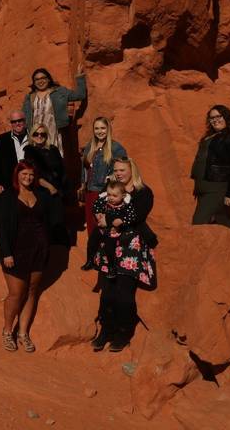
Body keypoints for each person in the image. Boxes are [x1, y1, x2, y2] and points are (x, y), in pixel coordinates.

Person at [91, 157, 158, 352]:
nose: (119, 173)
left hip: (130, 248)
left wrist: (108, 219)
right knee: (107, 292)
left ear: (132, 171)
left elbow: (135, 217)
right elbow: (98, 209)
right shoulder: (109, 189)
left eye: (123, 170)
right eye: (117, 170)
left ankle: (123, 332)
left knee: (125, 293)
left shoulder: (143, 192)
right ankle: (106, 330)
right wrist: (101, 218)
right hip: (109, 247)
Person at [0, 162, 65, 353]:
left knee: (32, 291)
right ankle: (8, 331)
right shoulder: (7, 196)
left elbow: (53, 215)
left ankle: (23, 333)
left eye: (31, 175)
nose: (28, 178)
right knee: (16, 293)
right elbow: (1, 227)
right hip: (15, 251)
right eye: (24, 174)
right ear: (17, 175)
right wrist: (6, 252)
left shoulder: (41, 195)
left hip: (38, 250)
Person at [79, 117, 127, 270]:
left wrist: (113, 179)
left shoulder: (116, 148)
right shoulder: (89, 147)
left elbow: (123, 167)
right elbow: (84, 169)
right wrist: (82, 184)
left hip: (105, 193)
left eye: (103, 128)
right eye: (97, 128)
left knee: (104, 225)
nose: (100, 131)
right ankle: (93, 258)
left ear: (108, 129)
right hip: (90, 191)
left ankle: (108, 260)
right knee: (92, 226)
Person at [190, 105, 230, 229]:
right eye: (212, 118)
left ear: (226, 117)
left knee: (198, 223)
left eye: (218, 116)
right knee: (223, 220)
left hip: (217, 188)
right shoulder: (211, 136)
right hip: (203, 187)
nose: (215, 120)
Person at [22, 65, 86, 155]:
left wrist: (80, 77)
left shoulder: (59, 92)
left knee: (52, 157)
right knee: (36, 159)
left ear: (48, 79)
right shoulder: (30, 97)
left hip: (53, 132)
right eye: (37, 79)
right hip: (36, 135)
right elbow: (24, 115)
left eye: (43, 78)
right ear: (34, 82)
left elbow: (80, 95)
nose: (40, 81)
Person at [90, 180, 137, 279]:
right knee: (92, 239)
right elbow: (96, 205)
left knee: (109, 247)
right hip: (103, 228)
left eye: (114, 196)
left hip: (115, 231)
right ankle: (90, 261)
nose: (111, 198)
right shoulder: (105, 201)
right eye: (109, 195)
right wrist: (97, 213)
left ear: (123, 196)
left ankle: (112, 268)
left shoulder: (126, 205)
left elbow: (132, 217)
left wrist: (122, 220)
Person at [0, 110, 29, 194]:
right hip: (9, 184)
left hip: (30, 181)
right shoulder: (1, 140)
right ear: (10, 123)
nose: (17, 123)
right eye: (14, 121)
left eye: (20, 120)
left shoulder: (33, 137)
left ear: (25, 121)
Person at [23, 124, 65, 197]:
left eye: (43, 134)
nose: (39, 136)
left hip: (58, 189)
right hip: (41, 190)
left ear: (46, 136)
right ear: (32, 136)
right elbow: (34, 173)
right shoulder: (29, 151)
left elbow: (62, 169)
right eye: (36, 134)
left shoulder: (53, 149)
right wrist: (50, 187)